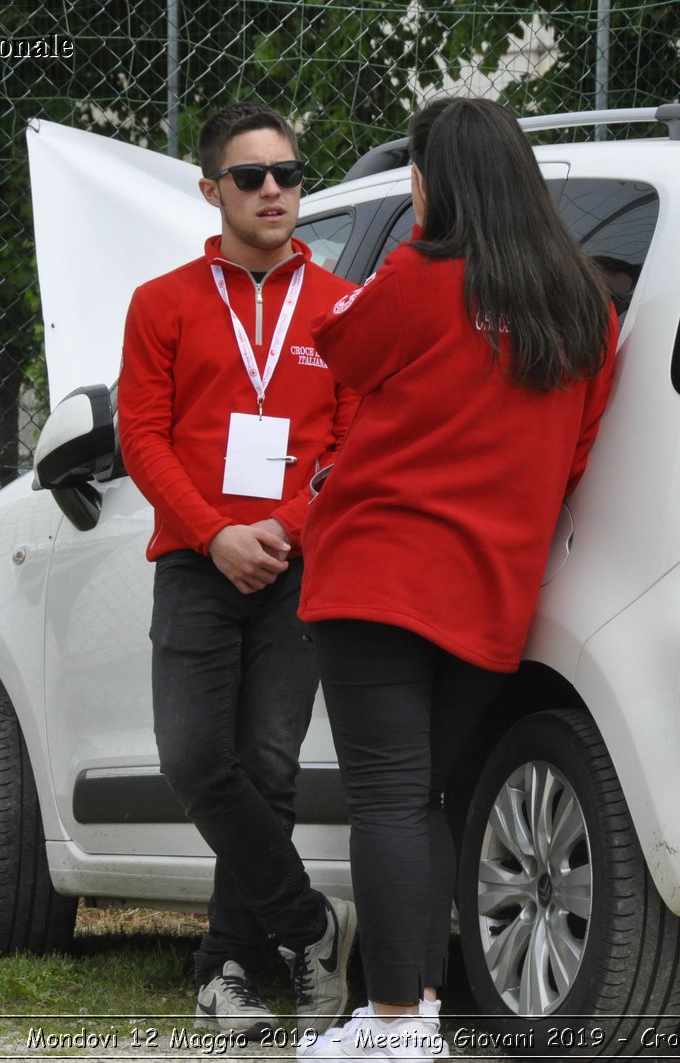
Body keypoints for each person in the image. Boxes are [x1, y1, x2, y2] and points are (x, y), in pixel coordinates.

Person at [294, 97, 618, 1060]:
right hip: (492, 593)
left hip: (378, 574)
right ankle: (416, 1012)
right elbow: (577, 453)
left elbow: (341, 351)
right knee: (424, 796)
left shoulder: (419, 275)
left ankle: (394, 1025)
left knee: (388, 799)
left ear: (435, 184)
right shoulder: (586, 309)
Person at [117, 101, 359, 1038]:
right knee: (192, 760)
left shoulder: (342, 306)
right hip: (193, 560)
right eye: (251, 176)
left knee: (268, 766)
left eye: (289, 175)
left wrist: (285, 530)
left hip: (298, 567)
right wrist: (216, 532)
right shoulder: (163, 303)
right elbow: (142, 436)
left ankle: (225, 971)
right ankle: (310, 924)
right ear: (211, 188)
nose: (272, 191)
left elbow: (348, 443)